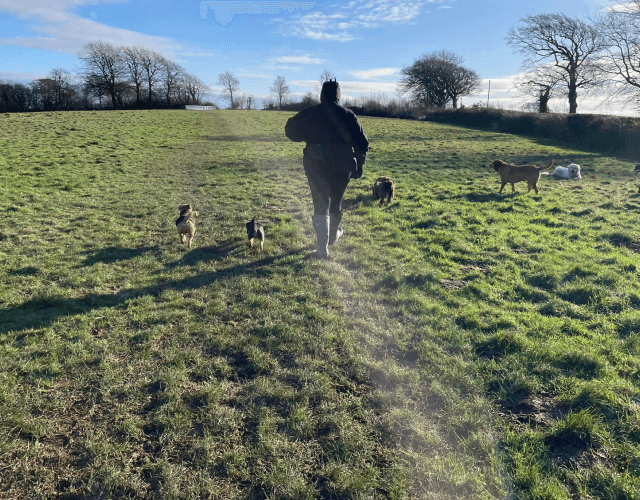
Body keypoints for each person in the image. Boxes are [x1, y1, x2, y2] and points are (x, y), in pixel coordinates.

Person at [284, 79, 369, 258]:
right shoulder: (348, 115)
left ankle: (323, 248)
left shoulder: (310, 113)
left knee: (320, 202)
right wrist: (359, 166)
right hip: (343, 164)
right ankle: (332, 237)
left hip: (316, 162)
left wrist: (307, 136)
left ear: (321, 94)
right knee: (336, 201)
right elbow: (363, 144)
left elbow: (290, 130)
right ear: (338, 95)